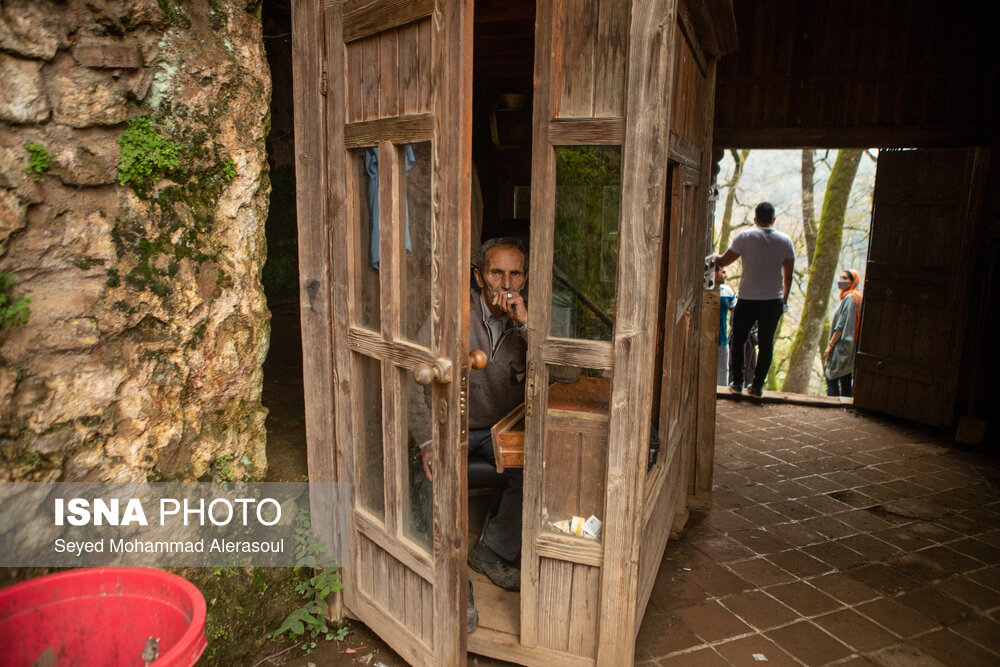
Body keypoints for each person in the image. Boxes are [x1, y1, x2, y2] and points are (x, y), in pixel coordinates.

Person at [419, 237, 528, 630]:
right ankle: (454, 583)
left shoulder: (527, 319)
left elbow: (560, 373)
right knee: (433, 479)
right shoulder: (451, 313)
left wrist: (527, 325)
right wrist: (427, 439)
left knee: (535, 469)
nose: (506, 283)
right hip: (451, 428)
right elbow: (413, 377)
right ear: (478, 277)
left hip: (500, 430)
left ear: (525, 277)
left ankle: (492, 552)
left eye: (515, 273)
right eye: (496, 272)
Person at [715, 202, 794, 399]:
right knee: (766, 344)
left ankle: (738, 382)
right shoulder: (785, 241)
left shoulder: (745, 236)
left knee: (738, 339)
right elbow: (788, 276)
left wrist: (711, 258)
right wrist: (783, 300)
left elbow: (724, 261)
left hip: (748, 298)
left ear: (755, 219)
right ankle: (757, 386)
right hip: (773, 301)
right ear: (773, 220)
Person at [825, 269, 862, 397]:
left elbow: (840, 326)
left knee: (831, 378)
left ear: (853, 281)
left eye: (845, 278)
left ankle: (833, 408)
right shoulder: (856, 296)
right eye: (841, 277)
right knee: (845, 378)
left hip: (843, 344)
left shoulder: (851, 298)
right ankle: (844, 408)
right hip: (851, 345)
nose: (841, 280)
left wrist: (830, 346)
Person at [715, 266, 737, 386]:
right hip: (703, 341)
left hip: (722, 341)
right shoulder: (702, 289)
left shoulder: (727, 291)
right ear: (715, 272)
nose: (725, 275)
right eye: (723, 272)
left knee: (723, 373)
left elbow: (735, 313)